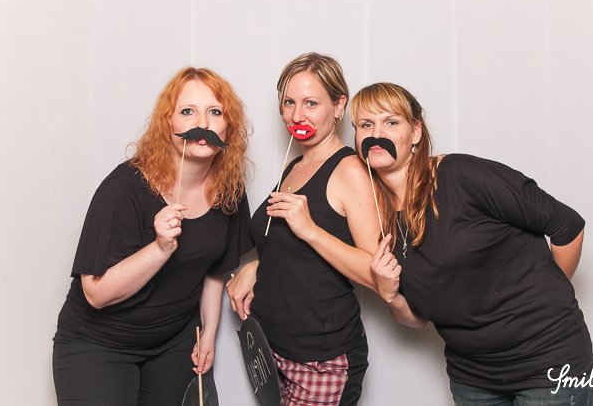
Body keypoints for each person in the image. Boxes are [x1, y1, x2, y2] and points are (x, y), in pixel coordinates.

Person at [352, 82, 593, 405]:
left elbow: (568, 225)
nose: (376, 134)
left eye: (391, 122)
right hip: (473, 378)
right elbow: (419, 318)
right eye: (365, 125)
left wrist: (549, 297)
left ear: (415, 132)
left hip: (548, 364)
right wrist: (390, 296)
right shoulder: (379, 216)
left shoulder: (460, 175)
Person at [52, 67, 252, 406]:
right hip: (99, 342)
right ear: (167, 124)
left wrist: (209, 332)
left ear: (228, 126)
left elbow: (214, 269)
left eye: (215, 112)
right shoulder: (123, 188)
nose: (202, 123)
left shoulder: (229, 190)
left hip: (173, 342)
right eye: (187, 111)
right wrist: (160, 248)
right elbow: (96, 293)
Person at [227, 52, 381, 405]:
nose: (297, 115)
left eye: (311, 103)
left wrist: (309, 229)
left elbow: (376, 273)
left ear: (338, 106)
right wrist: (258, 265)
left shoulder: (350, 171)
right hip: (272, 350)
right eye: (289, 103)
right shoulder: (295, 165)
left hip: (321, 361)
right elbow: (292, 252)